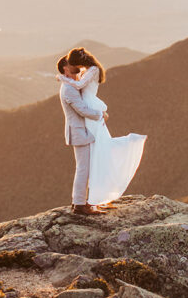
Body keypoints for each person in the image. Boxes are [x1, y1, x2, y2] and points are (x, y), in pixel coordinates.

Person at [62, 47, 146, 207]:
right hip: (88, 114)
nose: (75, 69)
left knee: (97, 150)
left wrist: (62, 78)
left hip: (90, 110)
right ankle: (82, 202)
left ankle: (82, 201)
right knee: (92, 157)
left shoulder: (92, 70)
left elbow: (80, 86)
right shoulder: (81, 75)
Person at [57, 54, 105, 214]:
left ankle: (81, 202)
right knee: (83, 168)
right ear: (65, 68)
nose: (74, 65)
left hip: (80, 131)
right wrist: (100, 115)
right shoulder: (68, 89)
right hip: (78, 132)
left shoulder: (70, 85)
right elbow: (82, 110)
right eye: (71, 64)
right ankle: (79, 204)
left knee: (84, 167)